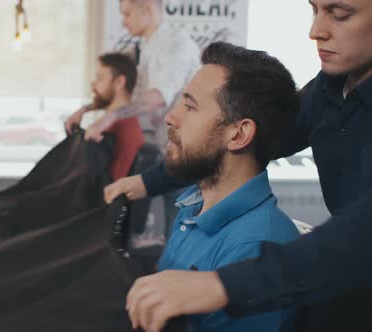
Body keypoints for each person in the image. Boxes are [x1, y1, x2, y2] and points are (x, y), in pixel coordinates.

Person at [106, 0, 372, 331]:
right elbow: (257, 133)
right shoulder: (331, 88)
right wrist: (149, 182)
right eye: (314, 10)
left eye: (341, 14)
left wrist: (223, 285)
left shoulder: (250, 244)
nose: (315, 31)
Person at [127, 41, 301, 332]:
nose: (172, 117)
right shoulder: (193, 205)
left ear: (238, 134)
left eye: (190, 106)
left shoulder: (254, 249)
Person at [65, 0, 200, 151]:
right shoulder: (147, 48)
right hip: (166, 144)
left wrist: (110, 116)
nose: (124, 22)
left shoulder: (177, 45)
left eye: (127, 14)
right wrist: (85, 109)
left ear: (147, 9)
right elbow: (131, 98)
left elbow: (158, 98)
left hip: (188, 148)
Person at [87, 52, 144, 180]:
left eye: (100, 78)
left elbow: (110, 191)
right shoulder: (117, 124)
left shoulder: (121, 130)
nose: (93, 85)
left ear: (119, 82)